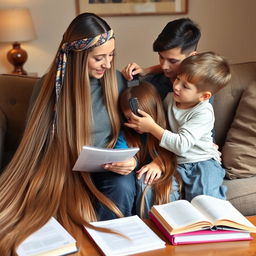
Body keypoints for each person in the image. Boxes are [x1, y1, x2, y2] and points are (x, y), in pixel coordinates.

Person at [0, 12, 137, 254]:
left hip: (106, 168)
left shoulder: (117, 82)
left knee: (123, 186)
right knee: (38, 203)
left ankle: (108, 248)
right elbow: (37, 140)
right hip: (61, 167)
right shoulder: (48, 86)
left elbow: (131, 130)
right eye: (99, 58)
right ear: (78, 56)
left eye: (111, 55)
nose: (107, 63)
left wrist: (128, 159)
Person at [125, 52, 231, 202]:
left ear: (204, 96)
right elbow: (163, 128)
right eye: (177, 79)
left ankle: (216, 223)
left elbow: (181, 145)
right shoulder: (170, 99)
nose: (176, 86)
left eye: (185, 86)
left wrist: (151, 127)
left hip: (202, 162)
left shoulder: (203, 112)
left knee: (206, 199)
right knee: (149, 187)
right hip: (175, 162)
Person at [119, 81, 181, 217]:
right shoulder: (126, 134)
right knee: (144, 184)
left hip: (164, 170)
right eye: (129, 118)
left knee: (161, 187)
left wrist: (159, 162)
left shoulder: (167, 128)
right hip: (140, 174)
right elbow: (121, 151)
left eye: (140, 118)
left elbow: (176, 150)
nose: (136, 124)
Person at [122, 18, 201, 100]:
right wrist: (128, 79)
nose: (164, 66)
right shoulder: (151, 82)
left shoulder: (201, 88)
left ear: (192, 57)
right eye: (161, 57)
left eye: (172, 61)